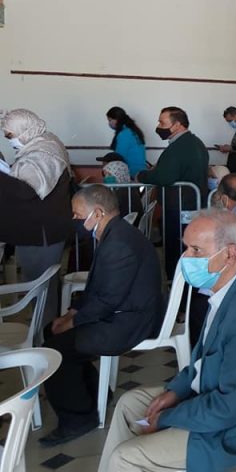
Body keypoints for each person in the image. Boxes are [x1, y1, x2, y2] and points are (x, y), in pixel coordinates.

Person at [98, 210, 236, 472]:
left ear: (230, 254)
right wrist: (176, 391)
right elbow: (206, 358)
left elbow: (231, 407)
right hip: (212, 396)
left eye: (196, 250)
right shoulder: (233, 283)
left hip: (235, 434)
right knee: (129, 405)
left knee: (124, 457)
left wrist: (168, 417)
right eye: (186, 248)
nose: (185, 258)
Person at [40, 185, 163, 447]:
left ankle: (78, 419)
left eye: (77, 215)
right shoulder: (115, 233)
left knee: (55, 349)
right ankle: (93, 394)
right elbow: (98, 290)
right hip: (120, 311)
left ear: (97, 213)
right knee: (51, 331)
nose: (74, 220)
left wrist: (72, 322)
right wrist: (72, 313)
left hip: (128, 322)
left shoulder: (119, 243)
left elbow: (106, 300)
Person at [0, 109, 71, 325]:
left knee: (40, 286)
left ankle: (45, 333)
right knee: (43, 285)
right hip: (43, 230)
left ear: (25, 130)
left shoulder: (43, 152)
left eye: (10, 135)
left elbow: (25, 191)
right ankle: (46, 329)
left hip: (41, 233)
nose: (9, 140)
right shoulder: (43, 144)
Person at [137, 106, 209, 279]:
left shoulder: (179, 148)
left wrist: (142, 175)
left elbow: (165, 176)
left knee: (176, 249)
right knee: (191, 248)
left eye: (162, 123)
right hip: (192, 203)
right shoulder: (196, 143)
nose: (158, 126)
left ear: (177, 125)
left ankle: (176, 284)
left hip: (179, 206)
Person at [104, 107, 147, 178]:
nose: (109, 123)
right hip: (140, 171)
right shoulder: (132, 131)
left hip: (131, 173)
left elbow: (119, 157)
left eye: (110, 120)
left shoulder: (124, 134)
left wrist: (106, 162)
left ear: (117, 119)